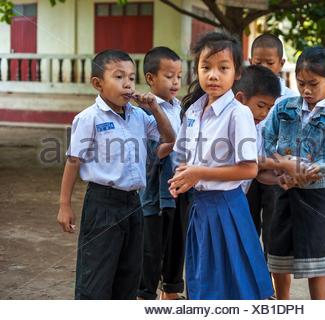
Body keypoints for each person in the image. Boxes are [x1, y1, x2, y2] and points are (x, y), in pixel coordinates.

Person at [57, 49, 175, 299]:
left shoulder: (139, 116)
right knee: (97, 276)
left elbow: (170, 138)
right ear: (98, 84)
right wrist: (64, 205)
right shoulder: (89, 118)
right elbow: (73, 161)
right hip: (102, 205)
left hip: (134, 204)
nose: (127, 84)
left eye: (131, 78)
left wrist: (154, 108)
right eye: (119, 77)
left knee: (129, 275)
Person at [168, 32, 273, 300]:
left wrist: (199, 173)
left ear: (236, 73)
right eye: (206, 68)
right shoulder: (193, 111)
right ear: (197, 70)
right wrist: (181, 178)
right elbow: (182, 156)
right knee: (202, 282)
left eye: (223, 68)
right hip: (199, 207)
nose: (213, 75)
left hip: (228, 207)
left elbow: (249, 168)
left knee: (234, 285)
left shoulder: (239, 113)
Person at [263, 46, 325, 300]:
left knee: (316, 262)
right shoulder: (283, 108)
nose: (306, 90)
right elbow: (267, 142)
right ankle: (283, 304)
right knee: (279, 255)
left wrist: (302, 172)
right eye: (301, 84)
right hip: (283, 190)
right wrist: (281, 167)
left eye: (313, 84)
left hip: (318, 197)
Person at [137, 47, 187, 300]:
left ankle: (171, 292)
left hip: (179, 189)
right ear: (150, 78)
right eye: (169, 76)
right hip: (154, 194)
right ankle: (145, 295)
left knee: (177, 244)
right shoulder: (143, 111)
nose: (176, 82)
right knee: (151, 250)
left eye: (179, 76)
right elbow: (152, 153)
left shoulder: (180, 108)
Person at [246, 33, 299, 257]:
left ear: (281, 64)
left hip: (274, 172)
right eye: (258, 63)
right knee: (246, 230)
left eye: (270, 63)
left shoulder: (290, 98)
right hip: (245, 171)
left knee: (272, 231)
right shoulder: (244, 93)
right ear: (250, 62)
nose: (265, 67)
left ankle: (268, 287)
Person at [233, 65, 320, 194]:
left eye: (269, 108)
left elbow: (257, 172)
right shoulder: (228, 124)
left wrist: (278, 179)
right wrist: (281, 163)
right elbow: (247, 161)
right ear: (240, 99)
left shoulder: (256, 127)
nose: (264, 114)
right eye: (260, 106)